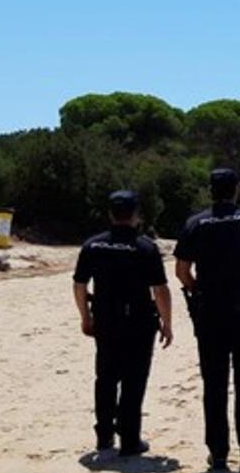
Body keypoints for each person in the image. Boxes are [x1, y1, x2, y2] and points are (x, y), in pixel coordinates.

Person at [174, 168, 240, 473]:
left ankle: (218, 454)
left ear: (211, 191)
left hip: (208, 313)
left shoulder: (196, 223)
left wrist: (198, 290)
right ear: (236, 191)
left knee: (214, 384)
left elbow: (181, 270)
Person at [72, 190, 173, 456]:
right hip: (139, 321)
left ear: (110, 214)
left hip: (105, 319)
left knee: (105, 378)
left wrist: (85, 316)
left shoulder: (93, 246)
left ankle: (104, 435)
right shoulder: (145, 248)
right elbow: (160, 290)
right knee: (134, 380)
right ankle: (129, 438)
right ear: (136, 216)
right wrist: (167, 323)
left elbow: (79, 284)